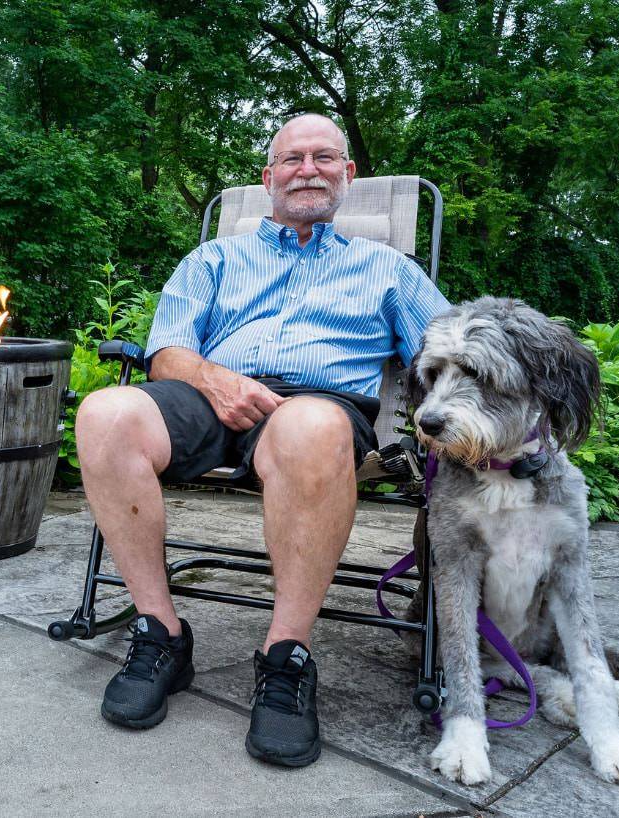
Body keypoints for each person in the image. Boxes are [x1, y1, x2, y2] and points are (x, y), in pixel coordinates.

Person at [76, 114, 448, 765]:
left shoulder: (388, 270)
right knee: (106, 412)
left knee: (310, 424)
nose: (308, 169)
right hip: (204, 394)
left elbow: (453, 351)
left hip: (317, 409)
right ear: (268, 176)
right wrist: (214, 379)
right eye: (293, 158)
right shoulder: (215, 257)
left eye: (324, 158)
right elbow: (167, 352)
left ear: (348, 174)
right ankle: (160, 632)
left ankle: (286, 658)